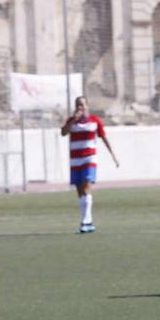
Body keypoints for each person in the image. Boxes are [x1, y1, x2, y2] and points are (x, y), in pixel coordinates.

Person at [60, 96, 118, 234]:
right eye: (77, 105)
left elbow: (103, 137)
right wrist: (73, 120)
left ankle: (85, 223)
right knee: (80, 193)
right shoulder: (71, 121)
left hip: (89, 159)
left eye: (82, 105)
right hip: (75, 160)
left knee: (86, 188)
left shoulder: (95, 121)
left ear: (87, 106)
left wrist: (113, 155)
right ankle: (88, 222)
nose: (80, 107)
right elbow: (63, 133)